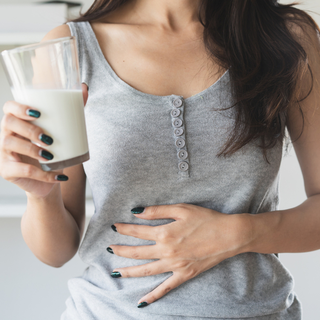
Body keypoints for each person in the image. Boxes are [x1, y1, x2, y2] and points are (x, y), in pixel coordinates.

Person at [0, 0, 320, 319]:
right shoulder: (69, 47)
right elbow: (56, 252)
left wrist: (236, 233)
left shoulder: (287, 36)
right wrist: (40, 195)